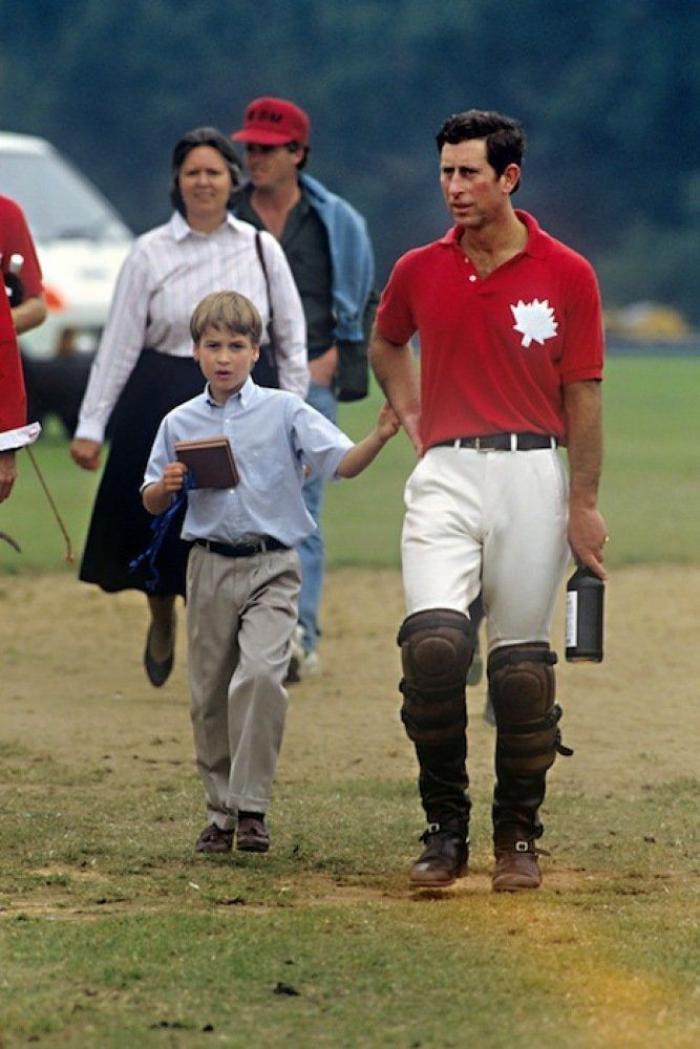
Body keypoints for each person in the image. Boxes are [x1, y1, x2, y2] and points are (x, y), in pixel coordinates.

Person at [370, 109, 607, 893]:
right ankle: (444, 827)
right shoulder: (418, 268)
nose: (454, 187)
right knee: (434, 645)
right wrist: (411, 414)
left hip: (532, 472)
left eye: (469, 172)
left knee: (520, 673)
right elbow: (386, 340)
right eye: (445, 171)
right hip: (445, 472)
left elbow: (584, 394)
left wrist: (583, 502)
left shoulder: (566, 272)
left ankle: (517, 831)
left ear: (509, 177)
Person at [142, 291, 398, 853]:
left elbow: (341, 463)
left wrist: (379, 436)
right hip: (208, 565)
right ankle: (220, 814)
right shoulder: (178, 421)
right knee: (209, 693)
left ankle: (252, 807)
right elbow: (151, 497)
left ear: (257, 352)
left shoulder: (285, 410)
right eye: (213, 346)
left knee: (260, 676)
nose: (224, 357)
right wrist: (164, 487)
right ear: (195, 351)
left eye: (237, 346)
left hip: (273, 566)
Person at [70, 127, 308, 688]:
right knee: (161, 517)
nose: (203, 182)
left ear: (233, 181)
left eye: (214, 172)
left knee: (238, 520)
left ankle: (241, 640)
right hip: (162, 394)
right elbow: (119, 344)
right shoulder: (148, 252)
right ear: (177, 182)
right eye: (192, 172)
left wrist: (294, 422)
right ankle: (160, 616)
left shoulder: (260, 247)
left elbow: (291, 339)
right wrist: (90, 425)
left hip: (247, 397)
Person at [230, 96, 375, 679]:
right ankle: (238, 629)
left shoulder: (337, 220)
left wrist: (330, 363)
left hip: (309, 384)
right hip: (232, 385)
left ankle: (298, 636)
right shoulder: (227, 214)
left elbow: (361, 300)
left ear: (298, 152)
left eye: (267, 149)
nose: (255, 158)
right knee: (228, 506)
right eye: (250, 148)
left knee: (302, 511)